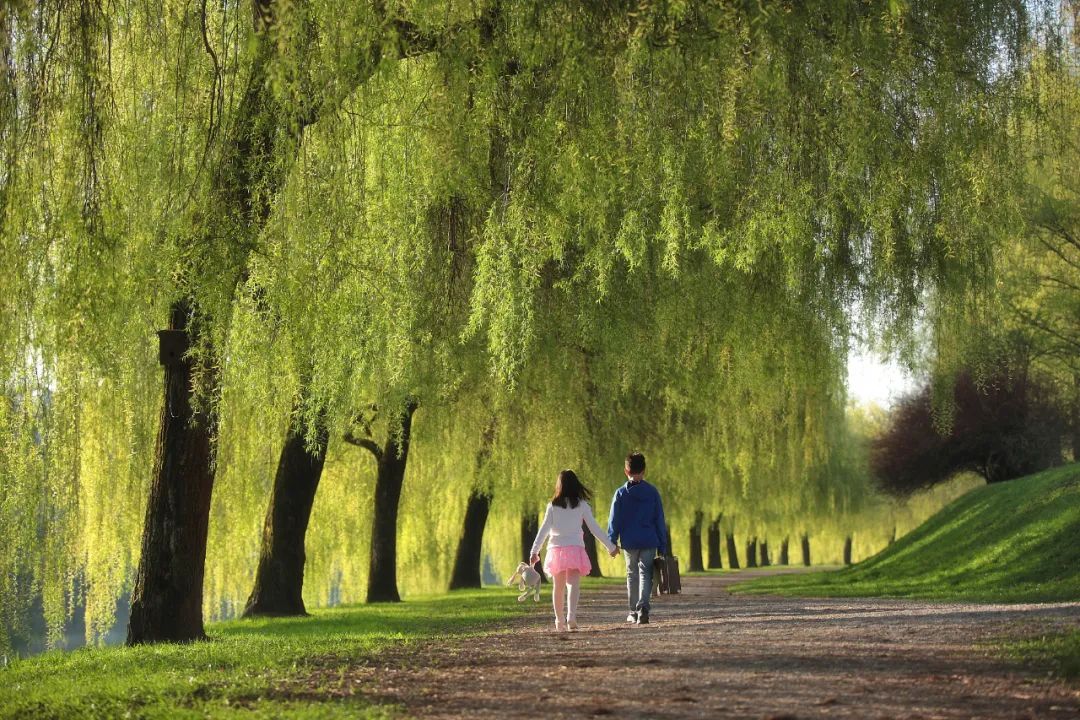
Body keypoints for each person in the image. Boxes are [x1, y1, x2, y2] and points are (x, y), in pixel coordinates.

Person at [530, 469, 618, 631]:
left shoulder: (552, 506)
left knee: (558, 587)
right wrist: (610, 546)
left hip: (556, 550)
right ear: (576, 485)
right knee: (573, 585)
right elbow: (594, 528)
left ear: (560, 486)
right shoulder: (582, 505)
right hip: (575, 549)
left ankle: (559, 621)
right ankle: (571, 617)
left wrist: (534, 551)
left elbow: (543, 530)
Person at [607, 451, 667, 625]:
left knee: (632, 574)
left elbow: (614, 520)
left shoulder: (620, 494)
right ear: (644, 470)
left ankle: (633, 612)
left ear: (626, 471)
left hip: (630, 542)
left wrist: (612, 541)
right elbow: (659, 520)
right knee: (645, 573)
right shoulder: (653, 492)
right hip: (649, 540)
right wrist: (663, 545)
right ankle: (644, 609)